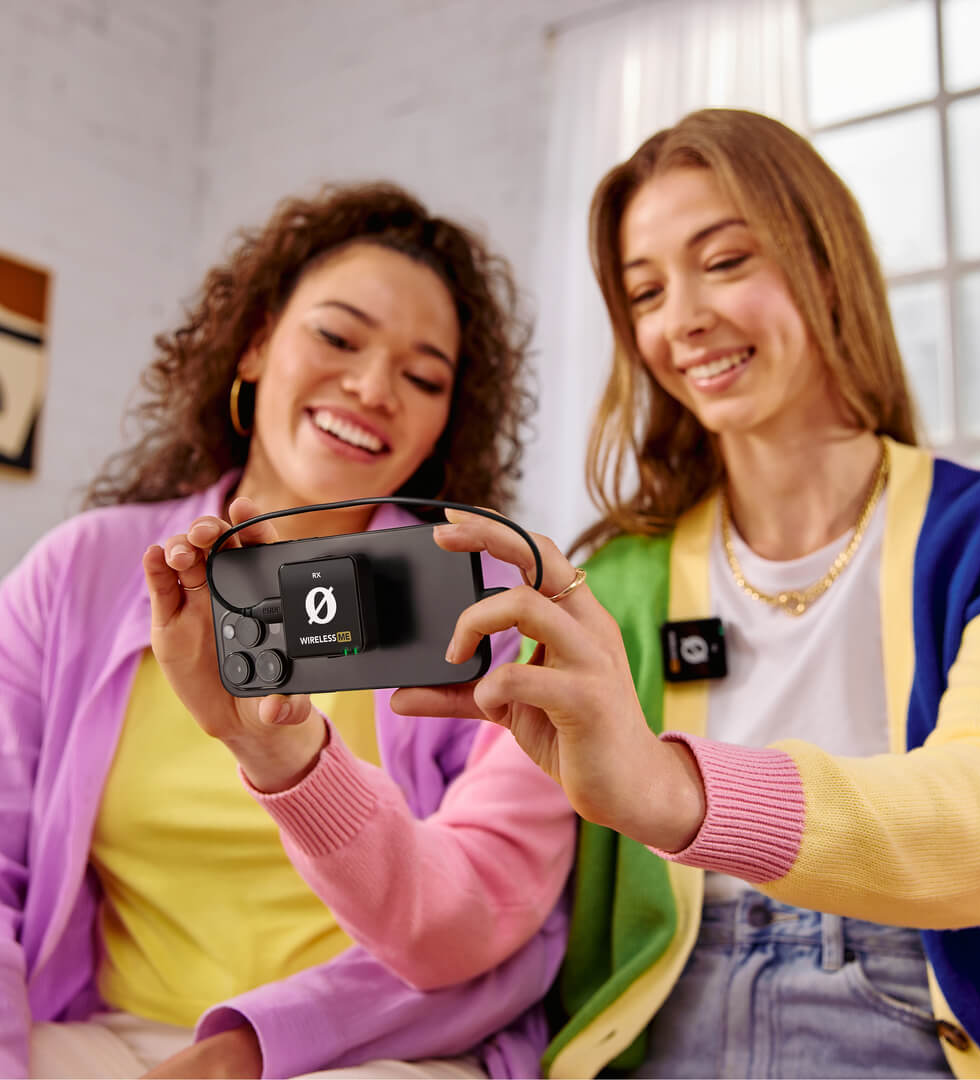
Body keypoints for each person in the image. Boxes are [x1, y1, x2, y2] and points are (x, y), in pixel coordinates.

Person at [391, 109, 980, 1079]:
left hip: (910, 1008)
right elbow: (465, 896)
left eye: (724, 261)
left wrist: (674, 790)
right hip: (661, 1017)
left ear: (826, 262)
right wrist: (290, 765)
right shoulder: (616, 579)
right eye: (646, 291)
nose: (682, 319)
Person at [0, 183, 576, 1080]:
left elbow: (494, 920)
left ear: (443, 422)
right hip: (99, 1040)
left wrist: (249, 1047)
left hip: (379, 1055)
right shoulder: (78, 574)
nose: (372, 387)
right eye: (338, 337)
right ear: (259, 342)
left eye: (423, 376)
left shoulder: (497, 609)